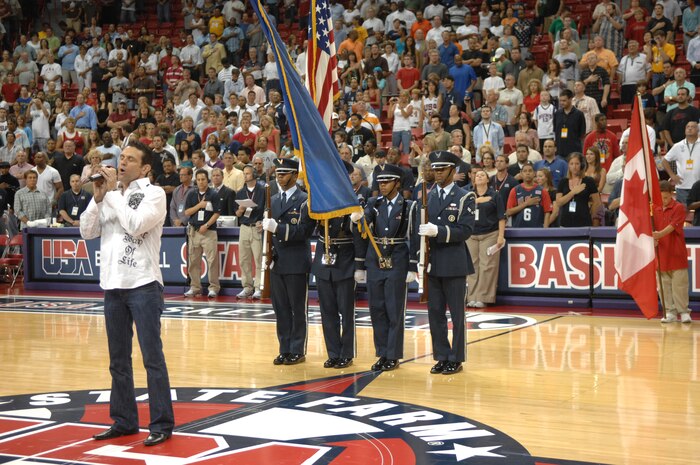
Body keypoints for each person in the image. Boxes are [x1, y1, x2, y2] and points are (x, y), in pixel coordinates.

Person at [79, 141, 174, 447]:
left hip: (143, 285)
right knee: (118, 361)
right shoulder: (109, 194)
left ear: (145, 168)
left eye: (130, 159)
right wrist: (97, 198)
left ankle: (161, 423)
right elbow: (87, 232)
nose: (121, 163)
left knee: (152, 359)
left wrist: (113, 195)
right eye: (120, 158)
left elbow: (135, 225)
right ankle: (124, 421)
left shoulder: (154, 194)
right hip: (112, 286)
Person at [351, 163, 417, 372]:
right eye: (380, 182)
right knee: (377, 309)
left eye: (387, 182)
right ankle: (382, 353)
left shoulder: (408, 206)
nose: (383, 185)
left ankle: (393, 354)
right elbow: (363, 228)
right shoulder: (373, 203)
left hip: (397, 259)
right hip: (375, 260)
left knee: (394, 308)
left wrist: (412, 266)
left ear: (397, 183)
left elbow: (414, 236)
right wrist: (357, 221)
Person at [416, 151, 475, 375]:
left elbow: (465, 230)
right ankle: (441, 355)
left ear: (453, 170)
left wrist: (438, 231)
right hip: (433, 262)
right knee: (435, 313)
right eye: (435, 169)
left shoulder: (464, 196)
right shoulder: (427, 196)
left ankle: (456, 357)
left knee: (457, 315)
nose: (437, 173)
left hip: (454, 261)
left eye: (442, 169)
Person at [261, 158, 315, 365]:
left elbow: (304, 231)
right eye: (278, 173)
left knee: (297, 308)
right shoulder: (272, 199)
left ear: (294, 175)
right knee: (280, 308)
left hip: (296, 261)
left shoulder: (304, 200)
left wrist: (278, 229)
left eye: (284, 173)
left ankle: (298, 349)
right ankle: (284, 347)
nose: (280, 177)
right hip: (277, 261)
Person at [313, 160, 360, 369]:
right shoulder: (321, 199)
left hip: (345, 259)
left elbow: (359, 235)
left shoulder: (354, 200)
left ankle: (346, 353)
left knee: (346, 311)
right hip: (324, 259)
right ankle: (333, 352)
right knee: (327, 311)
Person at [466, 169, 506, 308]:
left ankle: (483, 297)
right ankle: (471, 296)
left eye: (482, 175)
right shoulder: (468, 195)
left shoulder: (495, 195)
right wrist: (478, 200)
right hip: (471, 235)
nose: (479, 176)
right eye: (477, 175)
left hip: (490, 234)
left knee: (487, 266)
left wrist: (501, 236)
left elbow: (502, 217)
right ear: (473, 180)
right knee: (472, 266)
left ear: (488, 179)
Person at [655, 181, 692, 324]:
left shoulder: (679, 208)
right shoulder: (655, 209)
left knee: (680, 284)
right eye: (661, 197)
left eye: (666, 197)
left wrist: (658, 234)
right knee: (664, 284)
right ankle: (669, 311)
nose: (663, 200)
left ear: (671, 194)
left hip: (676, 252)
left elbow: (672, 227)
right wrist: (653, 238)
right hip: (661, 252)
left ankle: (683, 311)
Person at [184, 169, 221, 298]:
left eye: (203, 179)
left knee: (212, 261)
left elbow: (217, 213)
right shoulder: (191, 194)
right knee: (193, 261)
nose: (201, 182)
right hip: (194, 232)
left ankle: (213, 288)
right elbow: (187, 212)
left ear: (207, 179)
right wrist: (200, 205)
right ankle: (195, 287)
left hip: (208, 231)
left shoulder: (214, 194)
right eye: (198, 179)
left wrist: (207, 225)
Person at [235, 164, 265, 299]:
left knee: (258, 259)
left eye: (247, 173)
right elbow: (237, 213)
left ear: (253, 174)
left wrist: (263, 221)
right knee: (244, 259)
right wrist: (240, 211)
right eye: (244, 173)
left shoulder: (262, 190)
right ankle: (247, 287)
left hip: (257, 227)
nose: (245, 175)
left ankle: (258, 287)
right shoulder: (241, 192)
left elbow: (266, 209)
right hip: (244, 227)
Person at [556, 152, 601, 227]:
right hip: (565, 222)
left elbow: (597, 202)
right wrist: (573, 192)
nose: (574, 166)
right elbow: (559, 203)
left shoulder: (589, 181)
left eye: (577, 164)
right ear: (569, 166)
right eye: (572, 164)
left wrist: (592, 214)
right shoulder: (563, 181)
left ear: (582, 165)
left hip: (584, 222)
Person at [662, 121, 700, 205]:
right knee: (683, 215)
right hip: (682, 187)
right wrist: (672, 175)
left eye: (692, 127)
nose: (689, 128)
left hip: (698, 186)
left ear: (698, 130)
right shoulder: (677, 146)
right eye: (687, 127)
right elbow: (664, 161)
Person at [507, 162, 552, 227]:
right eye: (525, 171)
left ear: (534, 173)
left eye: (530, 171)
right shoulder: (515, 190)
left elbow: (547, 212)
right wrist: (526, 203)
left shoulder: (542, 191)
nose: (527, 173)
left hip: (537, 230)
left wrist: (544, 231)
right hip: (518, 231)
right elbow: (509, 212)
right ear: (521, 174)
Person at [554, 89, 587, 156]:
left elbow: (582, 134)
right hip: (560, 151)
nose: (561, 103)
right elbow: (555, 131)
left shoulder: (579, 114)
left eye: (564, 100)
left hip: (574, 151)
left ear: (570, 99)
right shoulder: (557, 114)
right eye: (560, 100)